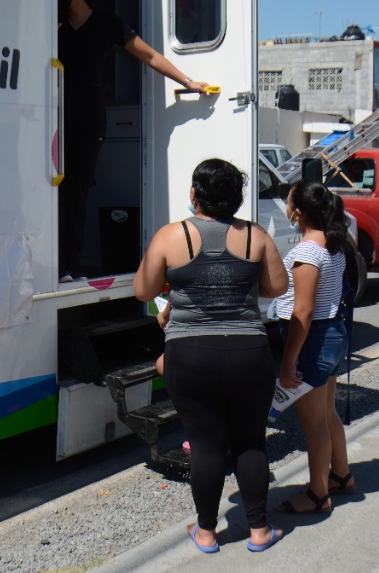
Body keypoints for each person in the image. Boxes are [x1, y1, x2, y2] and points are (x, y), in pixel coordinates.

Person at [134, 159, 289, 553]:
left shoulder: (172, 236)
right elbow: (276, 287)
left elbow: (142, 290)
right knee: (251, 442)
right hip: (248, 352)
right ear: (236, 197)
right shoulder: (256, 237)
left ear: (194, 194)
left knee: (205, 445)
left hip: (190, 354)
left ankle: (206, 532)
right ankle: (258, 530)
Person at [57, 0, 207, 280]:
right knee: (52, 189)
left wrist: (187, 81)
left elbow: (149, 56)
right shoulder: (53, 26)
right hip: (52, 113)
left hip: (88, 117)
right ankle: (56, 261)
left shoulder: (107, 24)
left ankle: (68, 264)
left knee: (76, 189)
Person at [273, 179, 357, 515]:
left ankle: (318, 494)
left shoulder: (308, 251)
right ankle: (341, 474)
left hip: (314, 340)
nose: (286, 207)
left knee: (315, 424)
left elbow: (303, 311)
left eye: (289, 201)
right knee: (327, 414)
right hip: (333, 335)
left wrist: (289, 361)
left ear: (300, 211)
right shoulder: (334, 242)